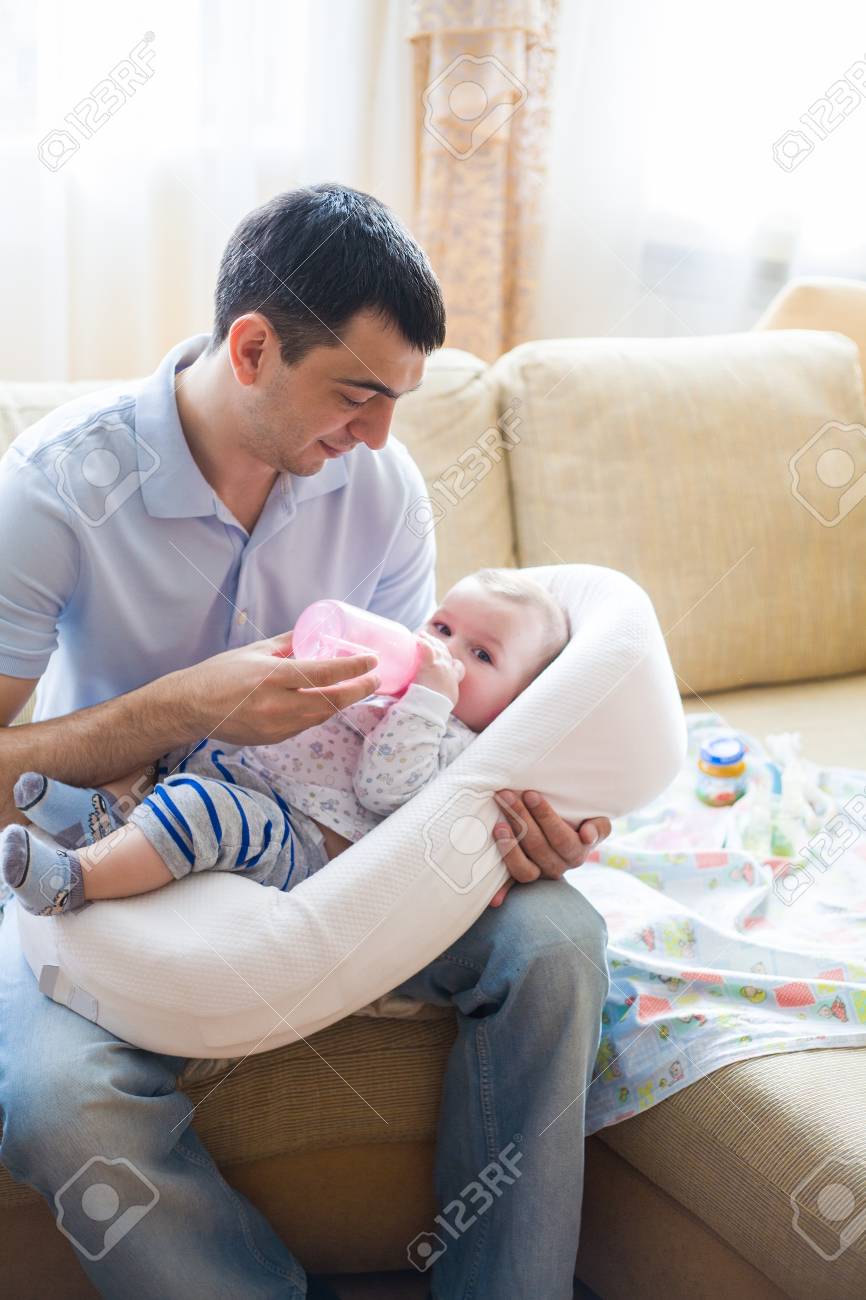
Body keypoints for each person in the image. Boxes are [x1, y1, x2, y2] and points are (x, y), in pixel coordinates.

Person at [0, 184, 611, 1300]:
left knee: (558, 942)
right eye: (357, 394)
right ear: (251, 347)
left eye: (397, 401)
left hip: (337, 851)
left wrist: (514, 825)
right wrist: (185, 705)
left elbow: (427, 746)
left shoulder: (380, 490)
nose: (378, 435)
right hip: (124, 858)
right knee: (52, 1101)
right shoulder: (53, 491)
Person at [3, 570, 570, 915]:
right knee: (176, 742)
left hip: (295, 838)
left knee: (202, 810)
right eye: (443, 628)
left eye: (483, 655)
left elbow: (385, 792)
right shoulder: (393, 684)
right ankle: (99, 821)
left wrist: (428, 700)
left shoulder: (454, 739)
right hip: (244, 773)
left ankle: (74, 882)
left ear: (515, 703)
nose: (444, 653)